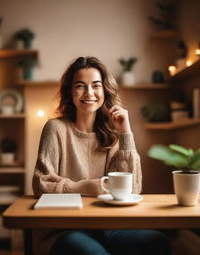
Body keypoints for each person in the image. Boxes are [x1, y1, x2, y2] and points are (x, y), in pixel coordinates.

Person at [32, 56, 172, 255]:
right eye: (80, 86)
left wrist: (125, 132)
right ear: (70, 91)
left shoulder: (112, 134)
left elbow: (132, 187)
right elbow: (40, 183)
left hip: (108, 226)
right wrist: (84, 186)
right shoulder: (55, 128)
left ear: (105, 91)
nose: (89, 93)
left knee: (159, 243)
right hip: (62, 229)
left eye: (96, 85)